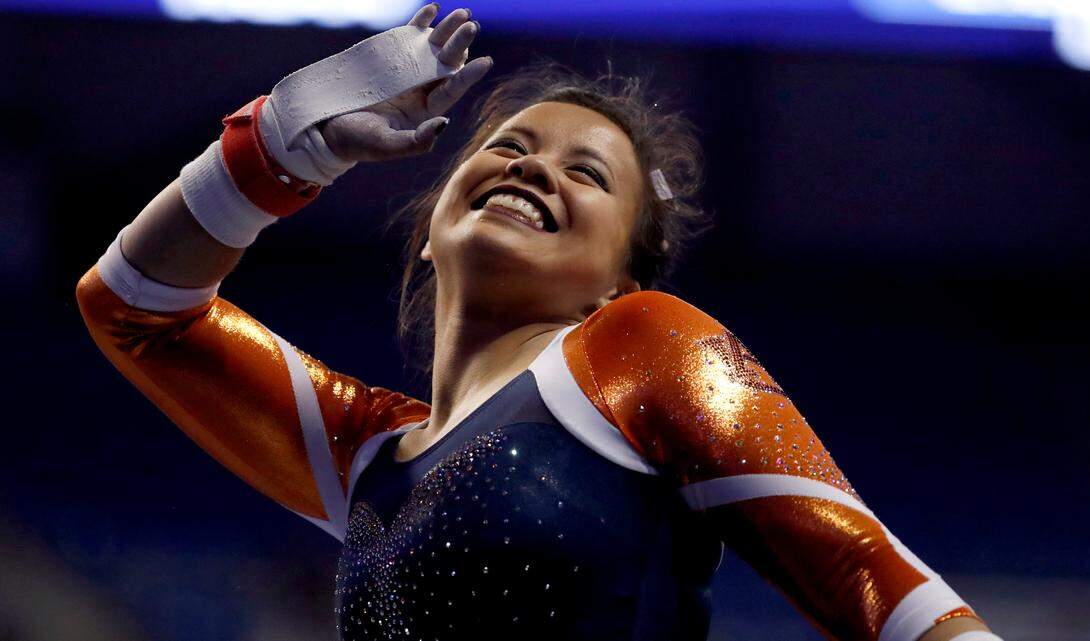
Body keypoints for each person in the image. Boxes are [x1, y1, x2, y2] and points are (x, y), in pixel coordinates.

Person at [76, 4, 1003, 640]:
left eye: (586, 174)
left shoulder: (641, 348)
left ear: (615, 281)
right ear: (434, 230)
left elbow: (870, 578)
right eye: (508, 147)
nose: (531, 169)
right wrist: (278, 143)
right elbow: (133, 308)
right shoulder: (366, 453)